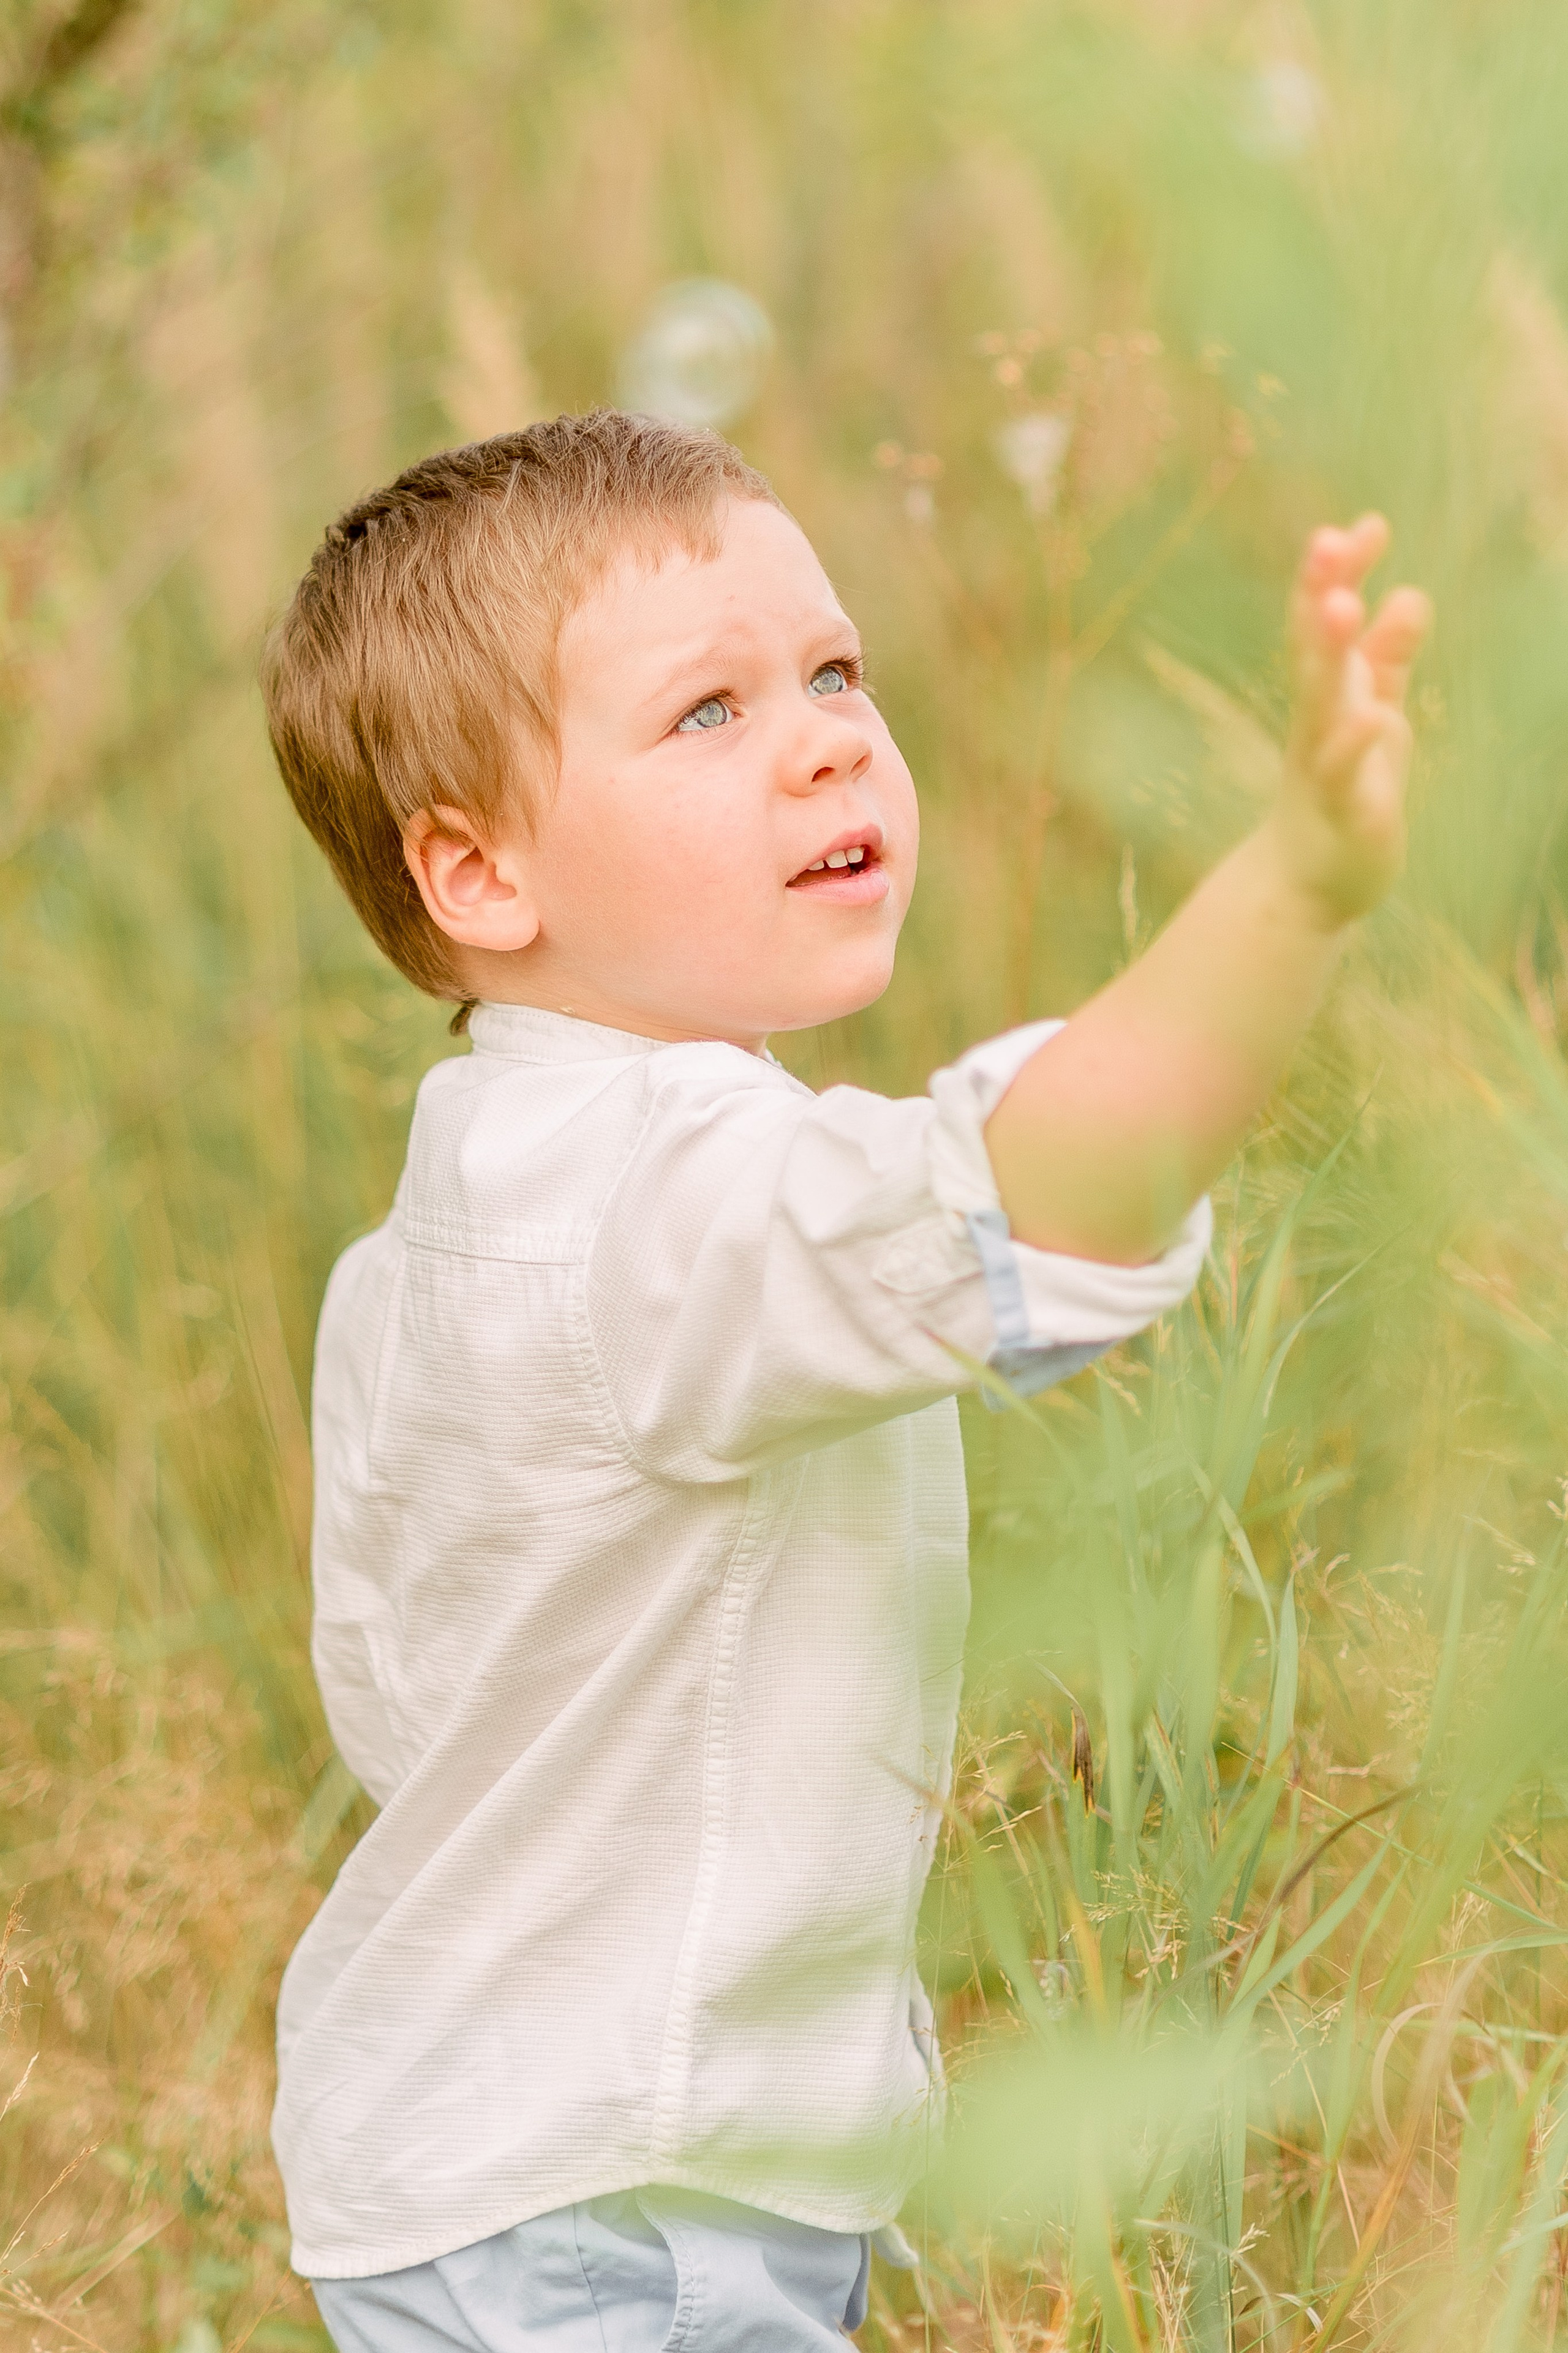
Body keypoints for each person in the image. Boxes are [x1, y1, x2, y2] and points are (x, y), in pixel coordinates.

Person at [260, 411, 1428, 2351]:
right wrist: (1295, 891)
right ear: (475, 870)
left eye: (831, 671)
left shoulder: (452, 1218)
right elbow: (1022, 1188)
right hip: (624, 2201)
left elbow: (408, 1695)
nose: (823, 736)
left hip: (472, 2159)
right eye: (704, 713)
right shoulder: (668, 1196)